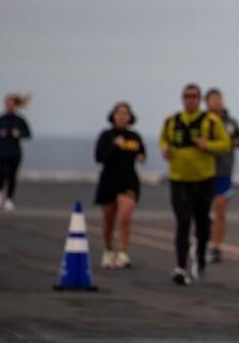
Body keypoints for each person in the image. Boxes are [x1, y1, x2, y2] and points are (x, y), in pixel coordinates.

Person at [159, 83, 231, 285]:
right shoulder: (171, 121)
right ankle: (180, 266)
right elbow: (163, 139)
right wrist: (165, 149)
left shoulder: (211, 121)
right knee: (182, 222)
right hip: (179, 179)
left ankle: (200, 259)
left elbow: (225, 144)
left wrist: (207, 145)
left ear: (199, 99)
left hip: (203, 179)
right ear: (182, 99)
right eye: (186, 96)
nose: (190, 100)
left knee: (201, 224)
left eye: (194, 96)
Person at [94, 102, 147, 269]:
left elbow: (142, 154)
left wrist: (141, 157)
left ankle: (122, 251)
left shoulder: (135, 137)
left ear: (130, 117)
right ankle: (109, 250)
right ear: (113, 116)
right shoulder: (106, 136)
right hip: (109, 179)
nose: (122, 116)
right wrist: (114, 146)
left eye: (126, 113)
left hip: (128, 179)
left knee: (125, 217)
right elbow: (99, 157)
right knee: (109, 220)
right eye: (119, 113)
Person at [205, 87, 239, 264]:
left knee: (220, 208)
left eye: (218, 99)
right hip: (204, 171)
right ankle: (203, 239)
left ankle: (216, 247)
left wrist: (236, 142)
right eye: (212, 99)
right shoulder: (203, 121)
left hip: (224, 171)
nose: (217, 102)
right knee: (202, 211)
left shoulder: (231, 122)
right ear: (206, 103)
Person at [0, 93, 32, 213]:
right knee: (1, 173)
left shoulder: (19, 120)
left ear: (15, 106)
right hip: (2, 151)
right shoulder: (0, 119)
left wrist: (19, 133)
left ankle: (9, 200)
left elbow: (28, 134)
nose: (10, 106)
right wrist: (0, 134)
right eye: (8, 104)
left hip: (15, 152)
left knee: (12, 176)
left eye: (12, 104)